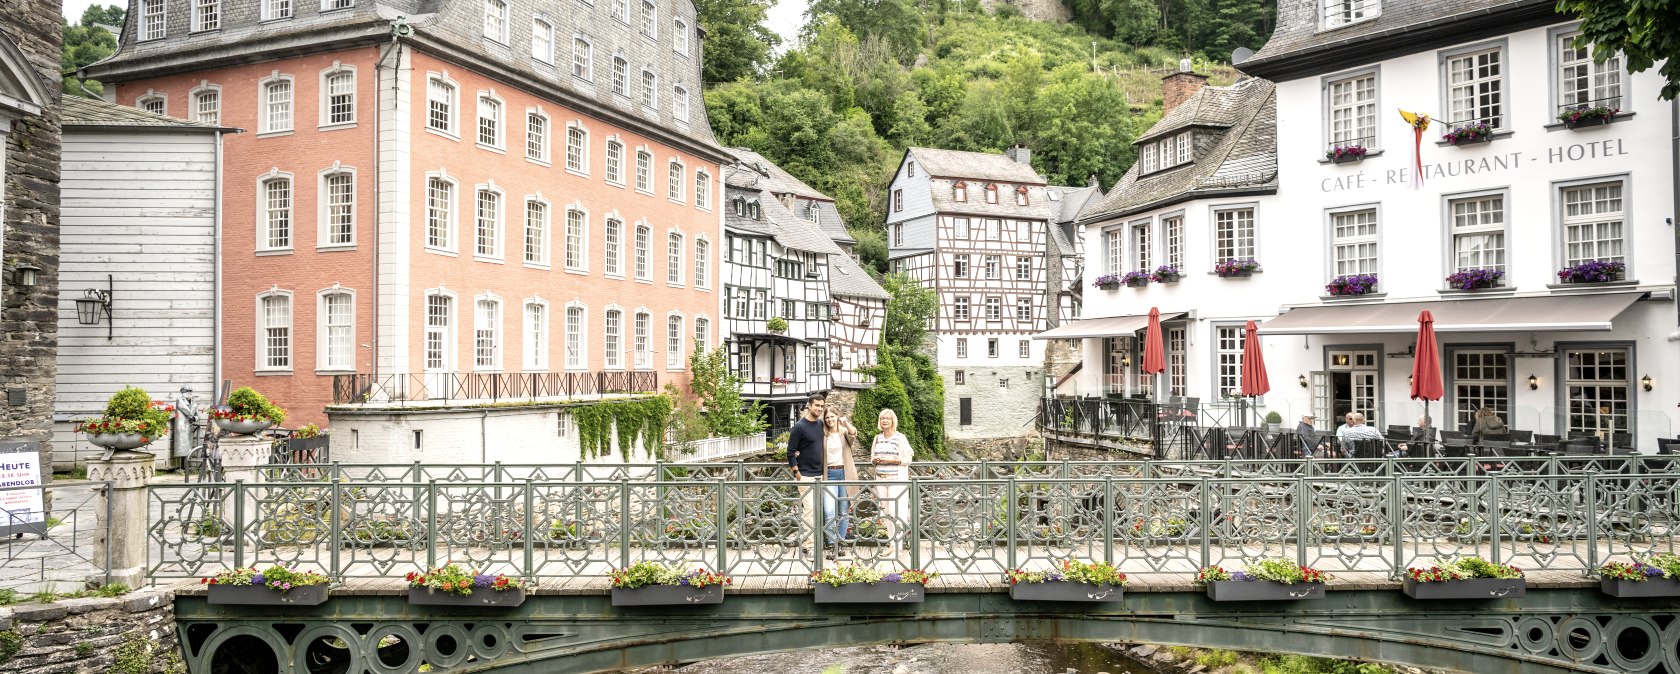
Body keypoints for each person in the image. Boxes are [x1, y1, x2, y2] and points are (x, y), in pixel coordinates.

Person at [785, 392, 827, 556]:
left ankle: (808, 541)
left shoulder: (820, 425)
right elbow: (790, 452)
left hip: (820, 475)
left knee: (817, 511)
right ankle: (809, 547)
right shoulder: (799, 427)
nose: (819, 409)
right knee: (810, 510)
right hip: (805, 475)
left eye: (822, 406)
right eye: (817, 405)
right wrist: (797, 473)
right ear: (809, 405)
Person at [821, 408, 860, 557]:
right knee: (829, 510)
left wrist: (846, 423)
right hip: (829, 474)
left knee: (843, 510)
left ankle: (841, 542)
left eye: (832, 416)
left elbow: (853, 434)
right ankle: (831, 543)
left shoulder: (844, 432)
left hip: (845, 473)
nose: (830, 419)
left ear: (837, 417)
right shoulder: (823, 435)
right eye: (827, 417)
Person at [870, 408, 913, 545]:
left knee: (896, 512)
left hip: (895, 479)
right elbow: (872, 458)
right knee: (886, 512)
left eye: (888, 418)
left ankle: (898, 546)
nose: (885, 421)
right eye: (883, 418)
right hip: (881, 479)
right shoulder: (877, 438)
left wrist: (893, 461)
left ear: (893, 421)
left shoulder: (900, 437)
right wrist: (875, 460)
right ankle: (891, 544)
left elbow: (909, 457)